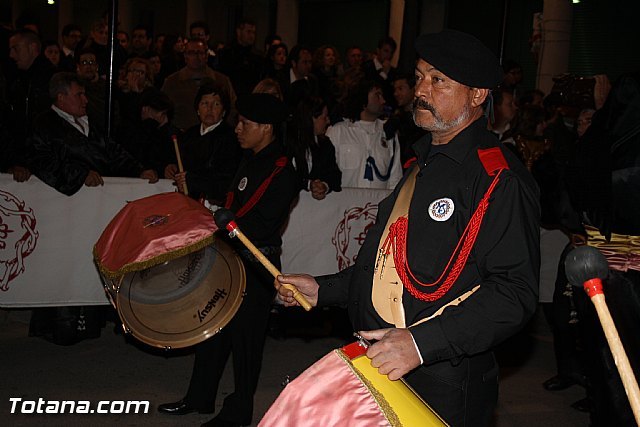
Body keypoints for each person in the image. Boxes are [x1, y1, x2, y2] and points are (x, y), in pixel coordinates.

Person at [275, 30, 540, 426]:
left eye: (438, 80)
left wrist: (420, 344)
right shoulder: (421, 165)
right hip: (383, 362)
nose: (421, 90)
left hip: (442, 376)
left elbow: (514, 293)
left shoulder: (497, 178)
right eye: (418, 77)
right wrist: (321, 288)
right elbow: (385, 263)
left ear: (478, 95)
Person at [158, 93, 298, 427]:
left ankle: (239, 410)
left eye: (245, 123)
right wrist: (200, 195)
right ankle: (200, 397)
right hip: (232, 256)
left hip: (256, 262)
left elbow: (258, 221)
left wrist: (218, 217)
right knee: (212, 328)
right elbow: (232, 197)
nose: (237, 128)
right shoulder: (249, 160)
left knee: (246, 342)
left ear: (265, 128)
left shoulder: (282, 170)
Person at [27, 72, 158, 196]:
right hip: (65, 201)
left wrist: (139, 170)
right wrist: (80, 175)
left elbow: (113, 151)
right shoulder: (44, 124)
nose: (85, 100)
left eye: (84, 94)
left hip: (100, 196)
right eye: (79, 95)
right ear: (61, 97)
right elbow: (42, 161)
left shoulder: (90, 121)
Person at [171, 83, 242, 203]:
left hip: (214, 203)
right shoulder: (189, 135)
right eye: (204, 104)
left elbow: (225, 180)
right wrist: (172, 168)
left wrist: (192, 179)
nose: (209, 109)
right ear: (197, 109)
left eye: (216, 104)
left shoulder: (231, 139)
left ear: (224, 112)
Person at [326, 79, 402, 189]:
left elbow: (395, 178)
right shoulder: (338, 131)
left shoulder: (388, 133)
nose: (383, 101)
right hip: (345, 204)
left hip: (377, 203)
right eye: (377, 95)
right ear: (362, 99)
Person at [162, 38, 237, 131]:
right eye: (191, 53)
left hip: (215, 135)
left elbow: (233, 109)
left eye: (200, 53)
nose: (196, 57)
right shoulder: (172, 82)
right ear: (185, 56)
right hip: (181, 135)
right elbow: (162, 110)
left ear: (206, 56)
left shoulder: (221, 80)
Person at [286, 96, 342, 198]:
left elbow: (335, 175)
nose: (328, 121)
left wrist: (324, 186)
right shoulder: (287, 142)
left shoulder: (325, 144)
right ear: (312, 118)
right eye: (324, 117)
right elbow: (286, 176)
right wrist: (308, 184)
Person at [384, 72, 428, 166]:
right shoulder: (396, 118)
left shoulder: (425, 118)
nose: (396, 93)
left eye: (400, 89)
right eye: (395, 89)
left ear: (414, 89)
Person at [217, 18, 263, 98]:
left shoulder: (257, 57)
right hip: (230, 95)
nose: (252, 36)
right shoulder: (226, 54)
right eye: (248, 32)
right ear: (238, 32)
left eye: (253, 33)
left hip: (250, 97)